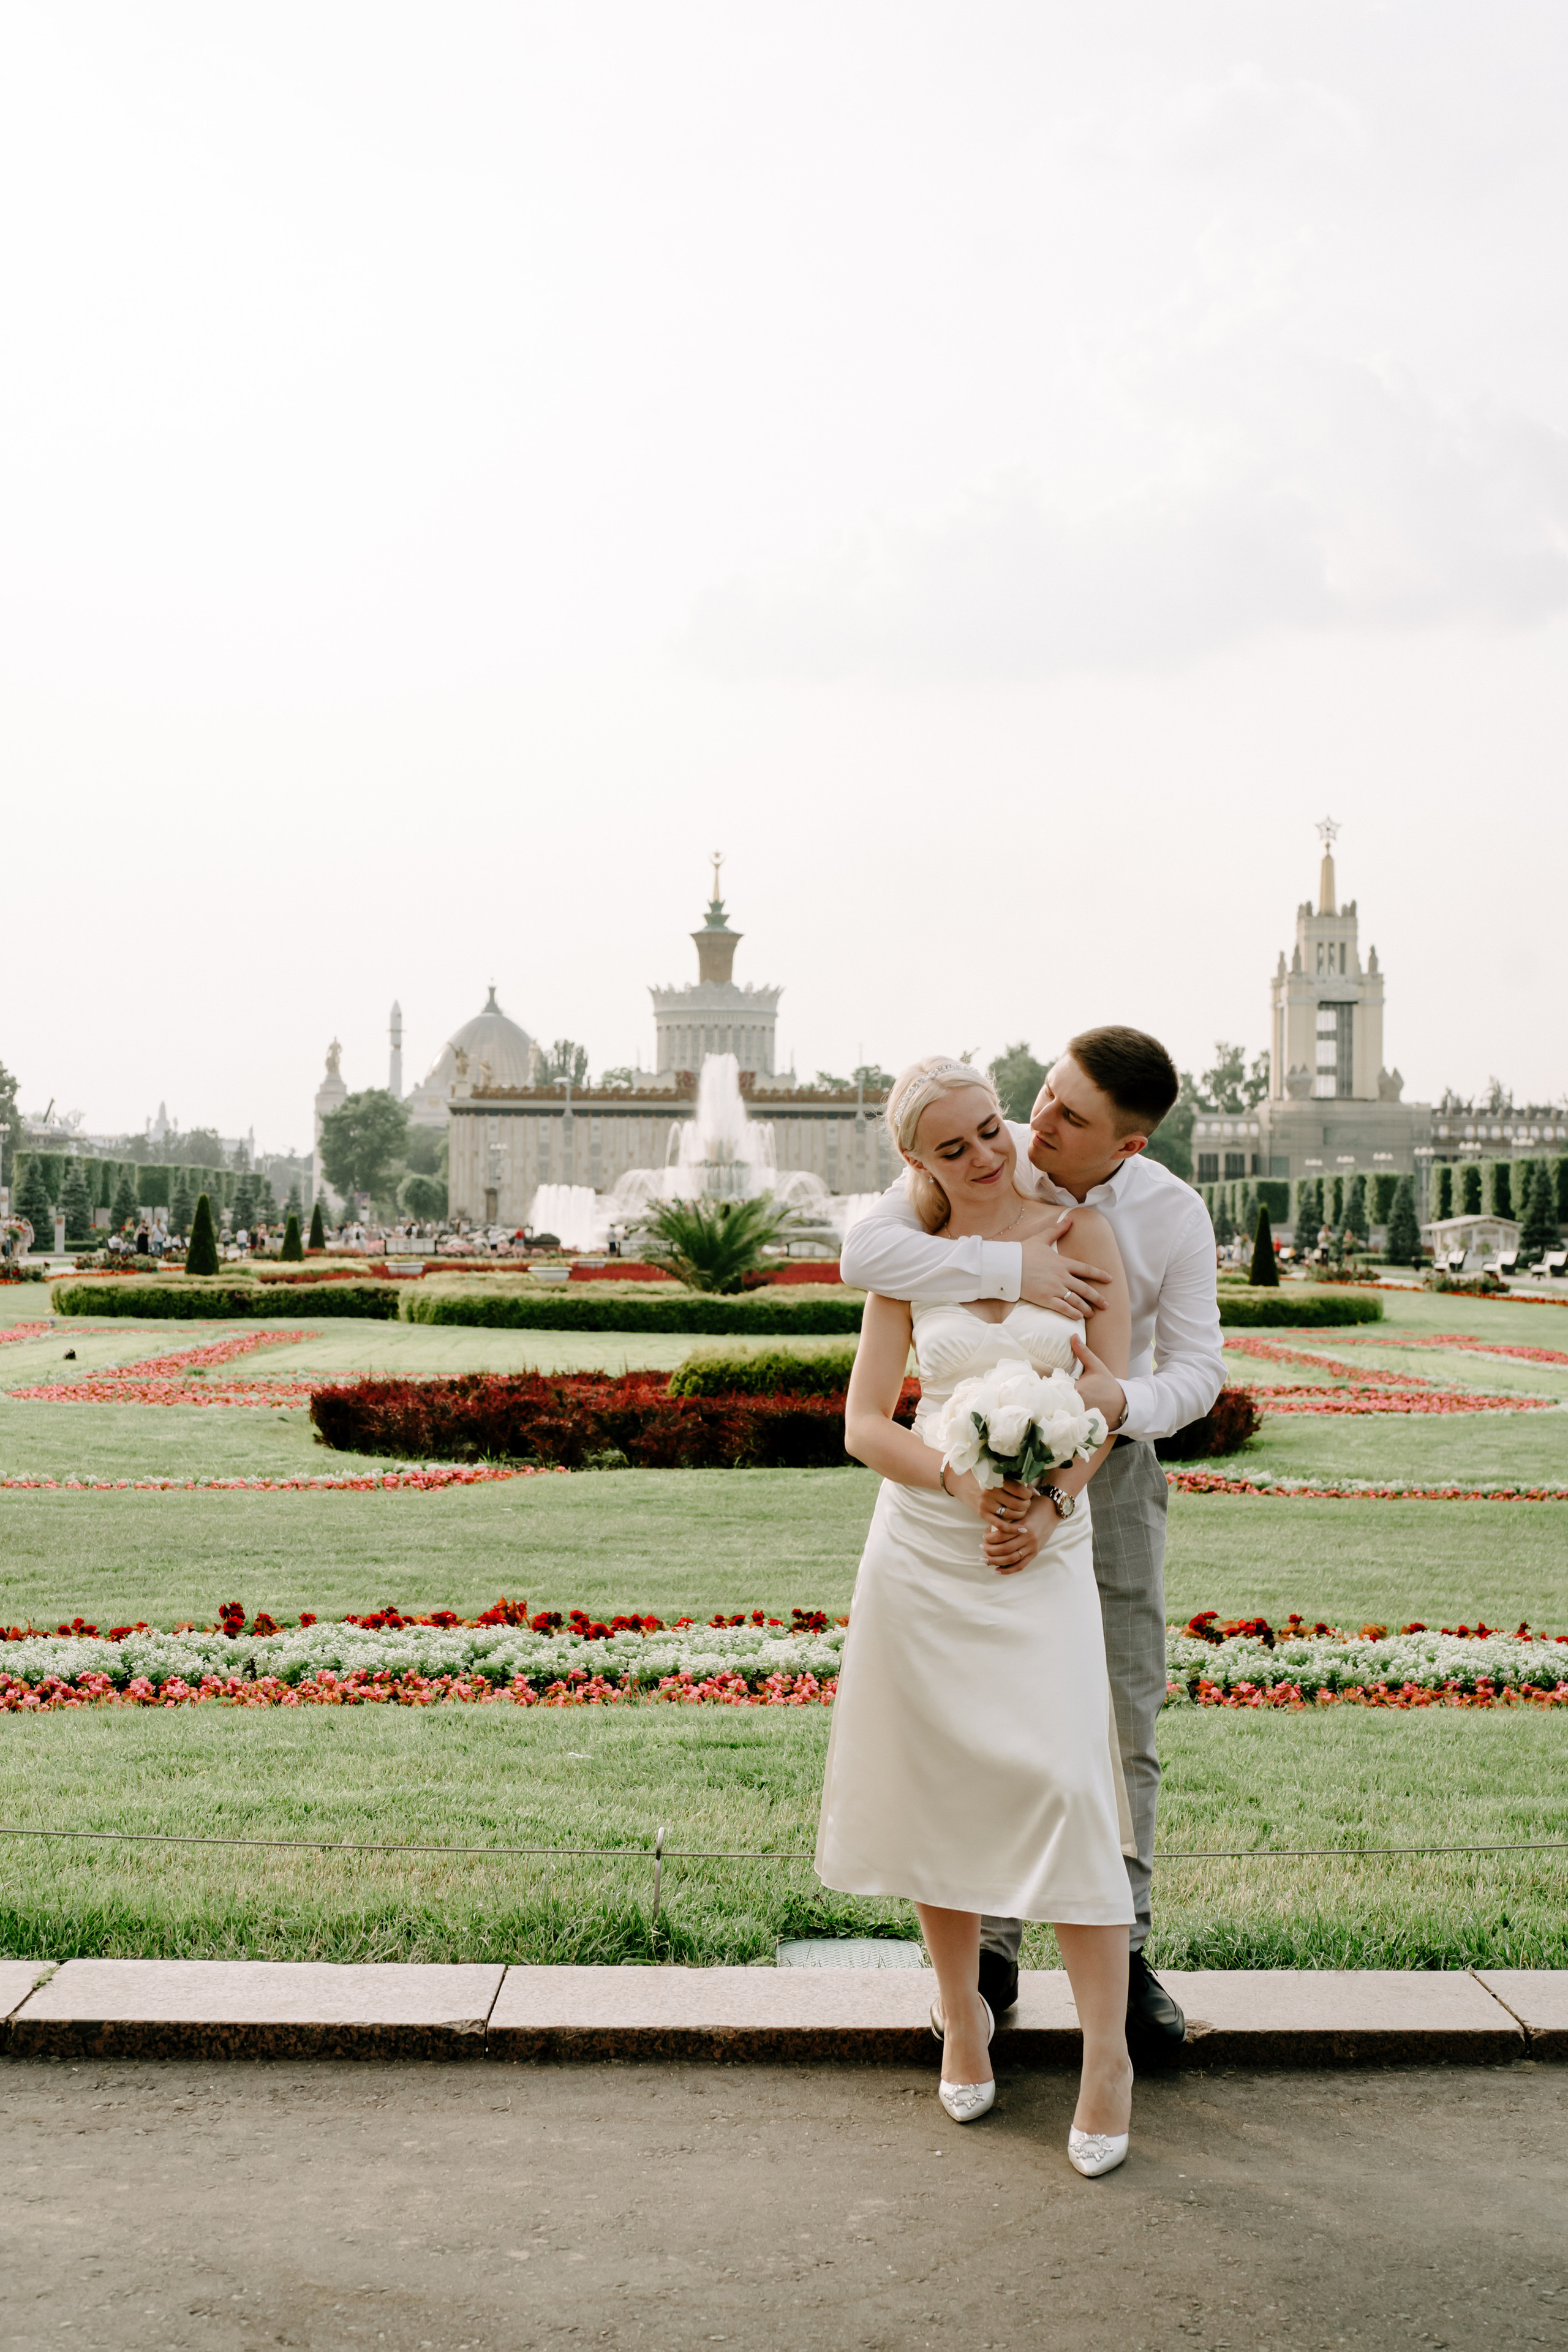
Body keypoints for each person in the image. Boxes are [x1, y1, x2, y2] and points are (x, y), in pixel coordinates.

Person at [839, 1027, 1223, 2057]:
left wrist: (1102, 1413)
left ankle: (1125, 1952)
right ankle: (991, 1959)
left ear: (1126, 1147)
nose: (1032, 1126)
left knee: (1119, 1718)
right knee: (973, 1724)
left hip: (1105, 1466)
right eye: (1044, 1097)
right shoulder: (971, 1140)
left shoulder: (1168, 1216)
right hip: (954, 1493)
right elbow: (864, 1257)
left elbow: (1197, 1372)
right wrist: (1007, 1260)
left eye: (1068, 1118)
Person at [817, 1057, 1138, 2177]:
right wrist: (959, 1484)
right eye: (955, 1148)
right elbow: (865, 1422)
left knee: (1067, 1785)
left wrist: (1047, 1507)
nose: (990, 1155)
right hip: (926, 1548)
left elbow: (1108, 1400)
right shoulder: (906, 1252)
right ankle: (962, 2015)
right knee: (939, 1783)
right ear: (917, 1163)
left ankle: (1108, 2059)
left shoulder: (1081, 1237)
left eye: (993, 1129)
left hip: (1040, 1552)